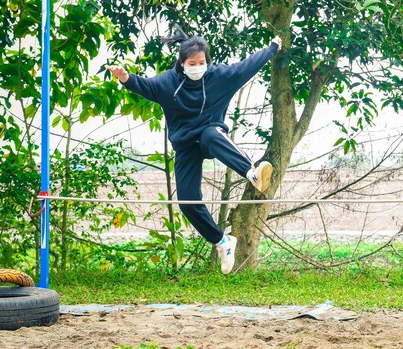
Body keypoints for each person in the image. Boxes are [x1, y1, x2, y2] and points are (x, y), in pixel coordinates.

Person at [107, 26, 281, 274]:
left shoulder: (220, 77)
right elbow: (144, 86)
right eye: (192, 63)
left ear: (207, 61)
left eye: (202, 63)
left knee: (211, 133)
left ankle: (251, 173)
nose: (198, 67)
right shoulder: (168, 82)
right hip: (185, 146)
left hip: (210, 136)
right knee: (187, 202)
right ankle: (222, 242)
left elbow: (248, 66)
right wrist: (125, 77)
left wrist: (272, 48)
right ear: (182, 63)